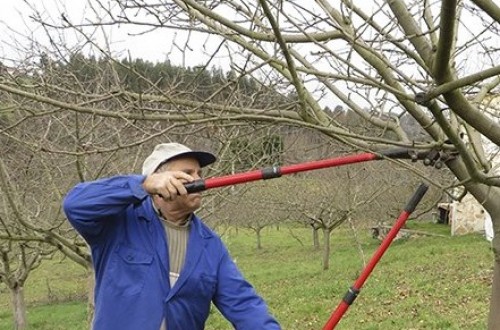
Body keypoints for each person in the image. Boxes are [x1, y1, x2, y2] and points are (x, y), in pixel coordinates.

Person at [63, 142, 281, 330]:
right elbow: (75, 204)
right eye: (188, 173)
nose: (198, 180)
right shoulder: (117, 225)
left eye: (199, 174)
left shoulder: (210, 245)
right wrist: (143, 184)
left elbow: (243, 304)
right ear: (161, 180)